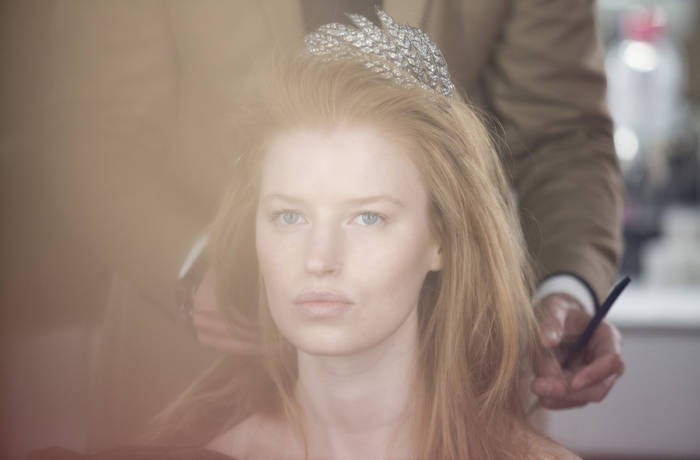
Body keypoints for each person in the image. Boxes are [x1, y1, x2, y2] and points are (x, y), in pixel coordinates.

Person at [32, 0, 623, 449]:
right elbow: (91, 128)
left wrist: (567, 288)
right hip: (185, 364)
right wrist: (190, 265)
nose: (319, 259)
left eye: (368, 216)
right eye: (288, 216)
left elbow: (563, 131)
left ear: (442, 235)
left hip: (452, 377)